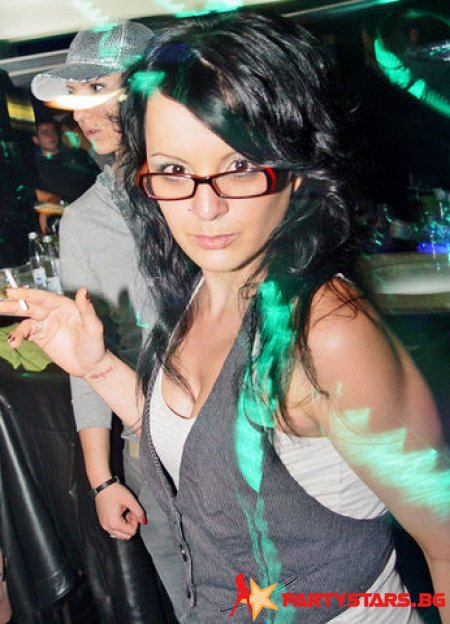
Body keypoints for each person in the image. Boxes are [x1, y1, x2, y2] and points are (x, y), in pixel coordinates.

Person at [3, 12, 449, 624]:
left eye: (239, 166)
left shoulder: (327, 333)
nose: (205, 207)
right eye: (174, 170)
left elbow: (443, 540)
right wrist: (97, 365)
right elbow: (196, 439)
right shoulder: (200, 289)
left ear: (297, 169)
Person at [30, 20, 184, 620]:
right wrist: (102, 479)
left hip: (247, 435)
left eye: (98, 88)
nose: (82, 110)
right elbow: (89, 358)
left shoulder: (207, 187)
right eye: (75, 95)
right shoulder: (84, 220)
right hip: (149, 450)